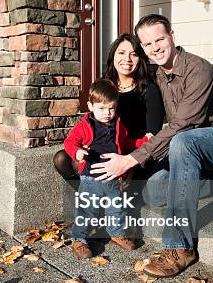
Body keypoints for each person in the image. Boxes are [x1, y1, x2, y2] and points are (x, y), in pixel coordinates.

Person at [90, 14, 213, 278]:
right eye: (147, 44)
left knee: (181, 140)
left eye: (159, 39)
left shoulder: (199, 70)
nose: (154, 48)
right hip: (190, 147)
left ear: (172, 37)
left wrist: (131, 159)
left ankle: (180, 247)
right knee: (153, 192)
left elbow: (182, 126)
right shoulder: (159, 76)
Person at [53, 33, 164, 181]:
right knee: (62, 159)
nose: (127, 59)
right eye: (122, 53)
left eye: (134, 54)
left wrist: (127, 162)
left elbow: (152, 138)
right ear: (113, 56)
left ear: (140, 59)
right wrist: (85, 145)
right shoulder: (105, 85)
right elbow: (92, 121)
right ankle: (89, 195)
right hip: (102, 147)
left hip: (132, 152)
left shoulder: (149, 89)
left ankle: (116, 193)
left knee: (90, 167)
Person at [63, 78, 149, 259]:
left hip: (112, 177)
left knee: (116, 207)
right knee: (88, 209)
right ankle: (79, 238)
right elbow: (70, 142)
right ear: (90, 106)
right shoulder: (85, 126)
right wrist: (77, 152)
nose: (107, 113)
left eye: (111, 108)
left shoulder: (118, 125)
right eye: (101, 108)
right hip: (91, 177)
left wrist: (144, 141)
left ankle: (116, 233)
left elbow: (127, 143)